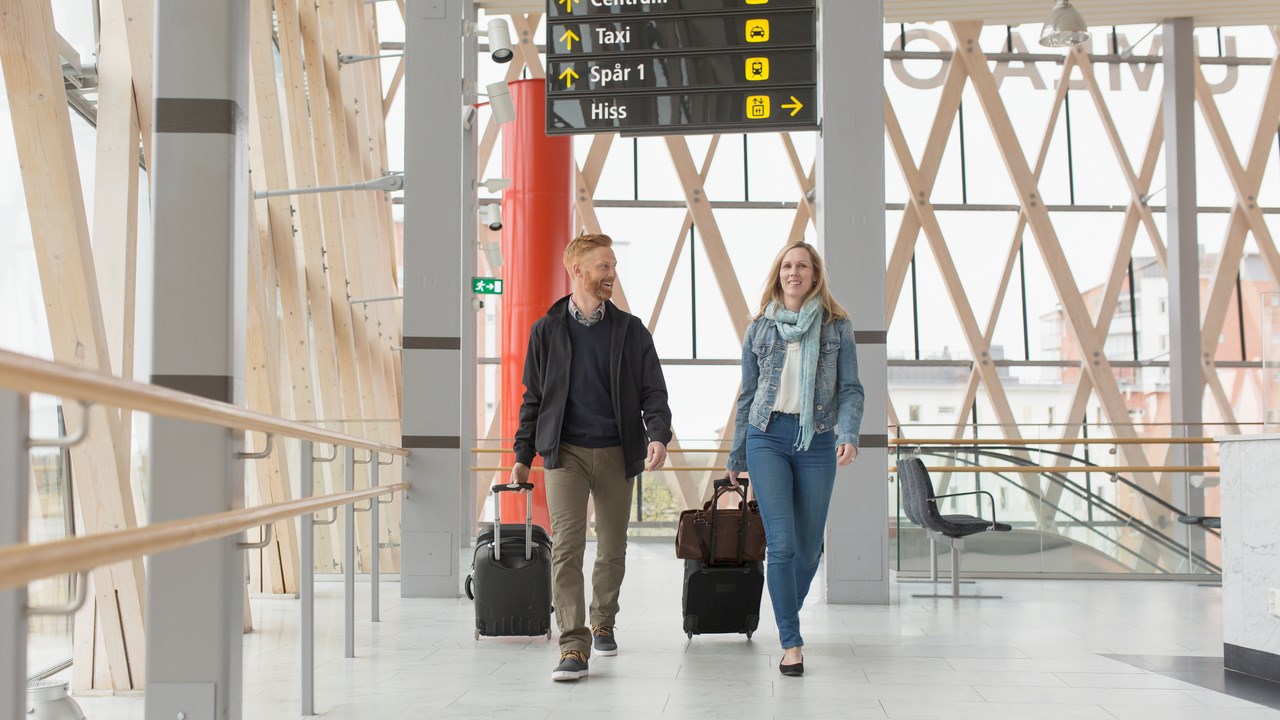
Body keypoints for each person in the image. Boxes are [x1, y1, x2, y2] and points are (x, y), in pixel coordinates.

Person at [510, 232, 673, 682]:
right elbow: (534, 398)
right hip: (565, 453)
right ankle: (573, 644)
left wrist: (657, 434)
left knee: (613, 547)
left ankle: (603, 621)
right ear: (577, 270)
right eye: (603, 267)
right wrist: (523, 454)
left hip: (619, 451)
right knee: (566, 547)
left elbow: (653, 391)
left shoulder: (630, 329)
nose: (611, 275)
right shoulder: (546, 330)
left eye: (613, 266)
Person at [726, 240, 864, 677]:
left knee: (807, 550)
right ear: (778, 273)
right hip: (766, 438)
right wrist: (735, 452)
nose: (793, 272)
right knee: (781, 545)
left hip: (817, 438)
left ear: (815, 274)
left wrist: (849, 433)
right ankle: (791, 640)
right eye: (787, 265)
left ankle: (787, 609)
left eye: (802, 265)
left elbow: (850, 389)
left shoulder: (836, 326)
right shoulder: (760, 328)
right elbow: (747, 395)